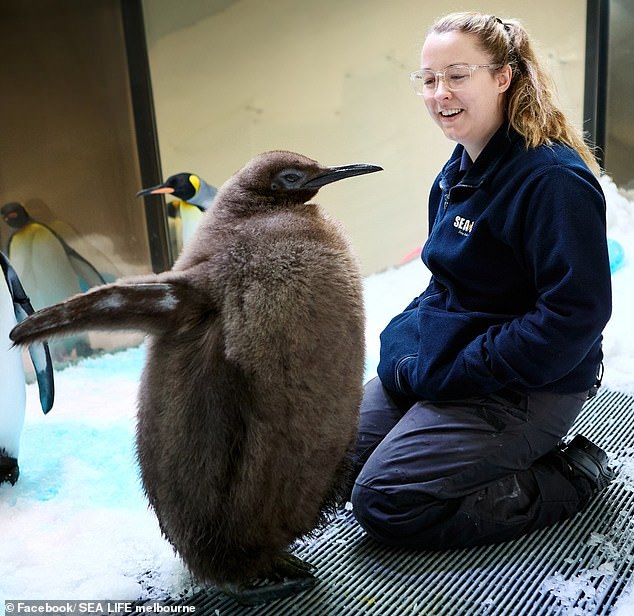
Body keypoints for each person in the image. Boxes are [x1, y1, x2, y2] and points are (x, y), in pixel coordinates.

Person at [350, 12, 614, 550]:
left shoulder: (552, 181)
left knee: (387, 498)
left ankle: (567, 477)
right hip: (462, 363)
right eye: (428, 79)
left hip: (531, 382)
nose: (439, 93)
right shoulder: (458, 172)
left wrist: (461, 370)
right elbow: (445, 285)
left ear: (503, 77)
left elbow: (573, 317)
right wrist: (409, 349)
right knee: (324, 455)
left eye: (457, 75)